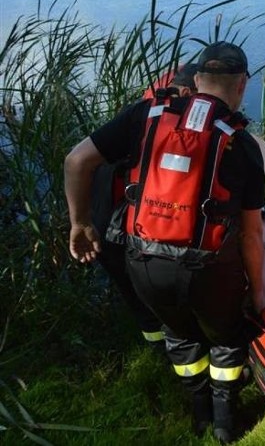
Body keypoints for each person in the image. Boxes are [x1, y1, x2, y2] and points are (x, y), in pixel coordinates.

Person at [65, 44, 265, 443]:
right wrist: (256, 292)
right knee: (225, 337)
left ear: (194, 81)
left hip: (143, 260)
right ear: (242, 85)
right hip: (207, 268)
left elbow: (76, 160)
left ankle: (198, 412)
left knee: (179, 334)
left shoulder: (147, 116)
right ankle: (226, 421)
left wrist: (80, 223)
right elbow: (252, 235)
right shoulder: (242, 143)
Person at [89, 62, 200, 351]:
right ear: (187, 92)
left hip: (101, 222)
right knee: (152, 298)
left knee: (138, 300)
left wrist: (79, 223)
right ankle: (173, 350)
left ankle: (158, 349)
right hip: (119, 230)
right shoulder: (163, 127)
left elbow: (78, 161)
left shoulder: (138, 117)